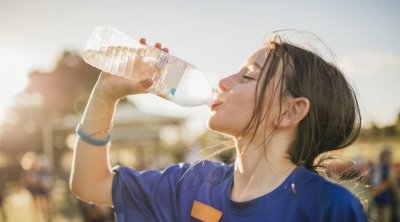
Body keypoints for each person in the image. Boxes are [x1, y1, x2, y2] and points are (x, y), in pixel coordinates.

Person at [70, 33, 368, 221]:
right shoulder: (193, 183)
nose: (224, 81)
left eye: (248, 76)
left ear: (291, 111)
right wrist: (105, 95)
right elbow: (90, 184)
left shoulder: (328, 207)